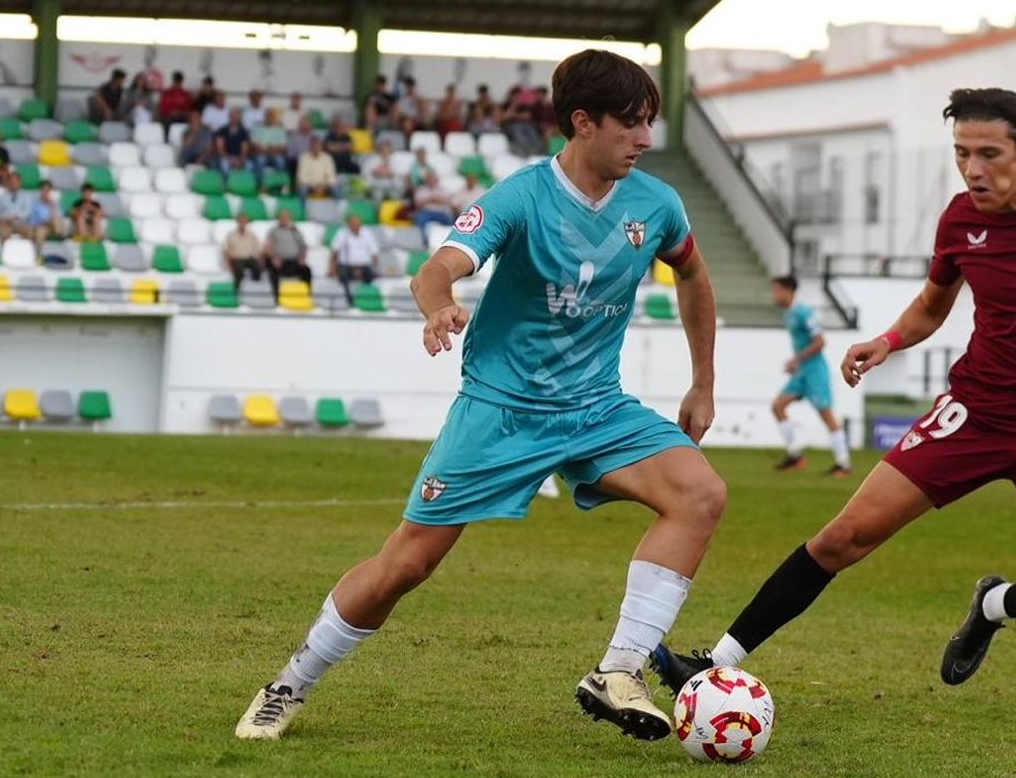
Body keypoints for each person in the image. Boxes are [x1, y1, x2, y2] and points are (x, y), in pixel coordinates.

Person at [236, 49, 724, 743]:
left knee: (700, 494)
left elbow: (694, 277)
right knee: (406, 564)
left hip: (595, 409)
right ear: (582, 123)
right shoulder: (520, 198)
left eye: (649, 123)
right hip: (501, 411)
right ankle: (290, 682)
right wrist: (440, 306)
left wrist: (703, 381)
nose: (646, 140)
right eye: (632, 124)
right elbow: (438, 268)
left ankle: (619, 669)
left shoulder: (658, 204)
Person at [651, 86, 1016, 698]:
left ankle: (992, 606)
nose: (972, 169)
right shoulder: (960, 222)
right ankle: (714, 662)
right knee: (842, 537)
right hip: (976, 412)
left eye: (989, 153)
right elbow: (931, 307)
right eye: (962, 152)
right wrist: (887, 340)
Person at [768, 276, 852, 476]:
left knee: (826, 415)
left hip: (815, 371)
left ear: (788, 290)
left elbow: (821, 341)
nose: (774, 294)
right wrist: (796, 364)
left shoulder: (804, 312)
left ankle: (844, 464)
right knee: (778, 406)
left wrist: (796, 359)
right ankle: (796, 455)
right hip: (802, 372)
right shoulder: (788, 314)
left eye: (777, 290)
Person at [330, 214, 379, 301]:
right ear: (349, 225)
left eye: (358, 225)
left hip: (363, 267)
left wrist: (374, 267)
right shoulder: (342, 234)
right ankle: (349, 300)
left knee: (371, 275)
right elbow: (335, 252)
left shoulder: (367, 233)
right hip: (347, 267)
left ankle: (366, 299)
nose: (356, 227)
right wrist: (332, 268)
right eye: (354, 225)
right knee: (343, 276)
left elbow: (374, 253)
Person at [261, 209, 311, 295]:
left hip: (295, 261)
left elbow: (303, 246)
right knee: (273, 271)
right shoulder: (273, 231)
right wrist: (273, 257)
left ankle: (307, 294)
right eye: (282, 217)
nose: (285, 219)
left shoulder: (295, 231)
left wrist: (302, 257)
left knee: (306, 270)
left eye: (287, 217)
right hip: (280, 261)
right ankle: (276, 297)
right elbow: (267, 246)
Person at [223, 213, 264, 291]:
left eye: (244, 221)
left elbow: (257, 248)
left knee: (258, 267)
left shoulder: (252, 235)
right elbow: (227, 250)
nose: (242, 223)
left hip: (249, 258)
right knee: (238, 269)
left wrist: (259, 259)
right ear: (237, 222)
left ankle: (256, 290)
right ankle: (237, 290)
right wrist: (228, 263)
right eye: (240, 221)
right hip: (237, 258)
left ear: (247, 222)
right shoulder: (231, 235)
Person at [0, 172, 36, 242]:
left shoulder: (27, 196)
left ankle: (27, 252)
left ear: (20, 182)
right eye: (11, 181)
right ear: (8, 183)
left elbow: (28, 212)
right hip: (6, 223)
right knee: (3, 233)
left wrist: (16, 216)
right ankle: (5, 252)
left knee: (31, 232)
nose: (13, 184)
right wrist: (4, 219)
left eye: (15, 181)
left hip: (21, 223)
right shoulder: (1, 197)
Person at [410, 171, 455, 239]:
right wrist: (432, 199)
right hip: (426, 212)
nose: (431, 180)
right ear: (426, 180)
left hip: (440, 212)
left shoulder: (442, 189)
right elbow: (417, 205)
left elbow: (447, 202)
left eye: (433, 178)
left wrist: (430, 200)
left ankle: (449, 239)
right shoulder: (421, 190)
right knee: (419, 219)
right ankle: (423, 239)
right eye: (429, 178)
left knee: (450, 221)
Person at [214, 109, 255, 178]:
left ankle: (244, 184)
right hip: (226, 157)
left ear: (238, 118)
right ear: (229, 117)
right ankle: (227, 184)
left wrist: (240, 159)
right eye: (232, 116)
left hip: (239, 157)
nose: (233, 118)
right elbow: (220, 148)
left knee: (250, 165)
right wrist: (229, 159)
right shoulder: (222, 130)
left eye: (235, 116)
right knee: (224, 165)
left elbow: (244, 149)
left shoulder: (243, 131)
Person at [295, 134, 338, 199]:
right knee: (302, 190)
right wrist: (314, 186)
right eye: (313, 146)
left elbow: (331, 176)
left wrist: (324, 186)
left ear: (321, 146)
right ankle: (302, 209)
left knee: (336, 189)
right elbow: (302, 177)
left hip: (325, 185)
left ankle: (339, 208)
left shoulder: (327, 158)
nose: (316, 147)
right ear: (310, 147)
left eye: (318, 145)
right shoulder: (303, 158)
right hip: (309, 185)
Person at [26, 184, 65, 253]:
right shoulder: (36, 204)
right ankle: (39, 254)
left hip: (54, 225)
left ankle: (59, 235)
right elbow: (32, 220)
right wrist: (40, 222)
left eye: (47, 191)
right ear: (40, 191)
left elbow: (61, 216)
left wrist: (51, 205)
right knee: (39, 232)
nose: (45, 193)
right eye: (43, 190)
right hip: (42, 226)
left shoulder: (54, 203)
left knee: (56, 217)